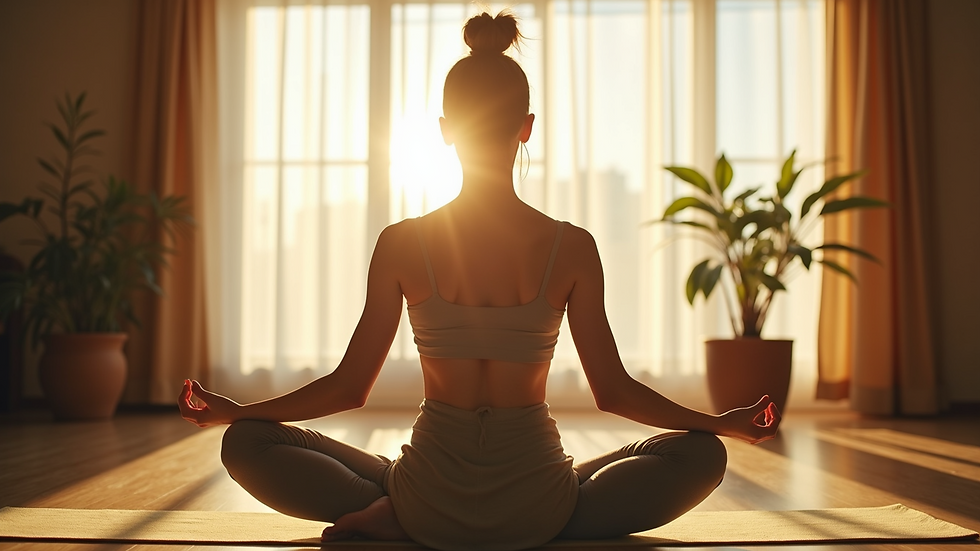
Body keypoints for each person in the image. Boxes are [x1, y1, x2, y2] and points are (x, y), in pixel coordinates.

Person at [178, 11, 780, 551]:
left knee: (246, 443)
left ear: (445, 128)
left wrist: (240, 411)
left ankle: (395, 513)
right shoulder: (572, 247)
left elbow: (349, 388)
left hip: (423, 498)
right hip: (543, 505)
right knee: (701, 453)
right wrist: (720, 423)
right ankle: (551, 513)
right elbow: (615, 394)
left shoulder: (402, 242)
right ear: (527, 127)